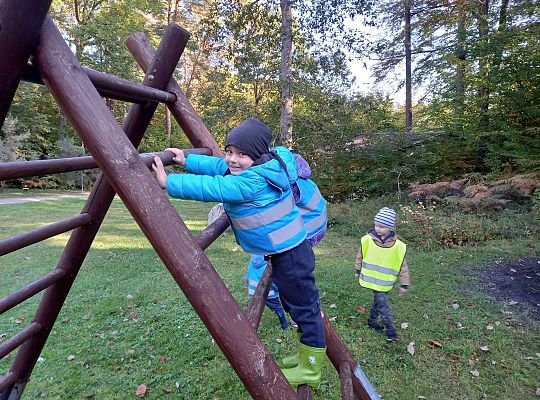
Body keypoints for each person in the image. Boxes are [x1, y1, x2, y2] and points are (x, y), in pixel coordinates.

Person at [152, 118, 325, 387]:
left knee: (305, 309)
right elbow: (219, 166)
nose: (233, 159)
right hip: (284, 251)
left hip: (291, 254)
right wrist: (186, 159)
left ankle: (311, 368)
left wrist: (169, 182)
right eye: (230, 150)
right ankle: (305, 356)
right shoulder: (259, 167)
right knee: (295, 304)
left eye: (241, 154)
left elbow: (213, 188)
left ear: (255, 157)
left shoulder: (250, 182)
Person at [354, 207, 410, 341]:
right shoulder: (367, 239)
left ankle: (371, 321)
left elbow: (403, 266)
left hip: (384, 281)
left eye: (382, 226)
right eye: (376, 225)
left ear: (390, 228)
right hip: (372, 280)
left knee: (377, 302)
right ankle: (391, 331)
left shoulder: (398, 246)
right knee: (383, 305)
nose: (378, 229)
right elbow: (360, 256)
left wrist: (404, 284)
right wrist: (357, 269)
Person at [246, 254, 290, 329]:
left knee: (256, 306)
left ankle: (249, 323)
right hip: (268, 292)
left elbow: (248, 275)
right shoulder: (269, 264)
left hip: (254, 290)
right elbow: (272, 281)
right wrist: (279, 288)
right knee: (277, 308)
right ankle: (285, 325)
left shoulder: (254, 258)